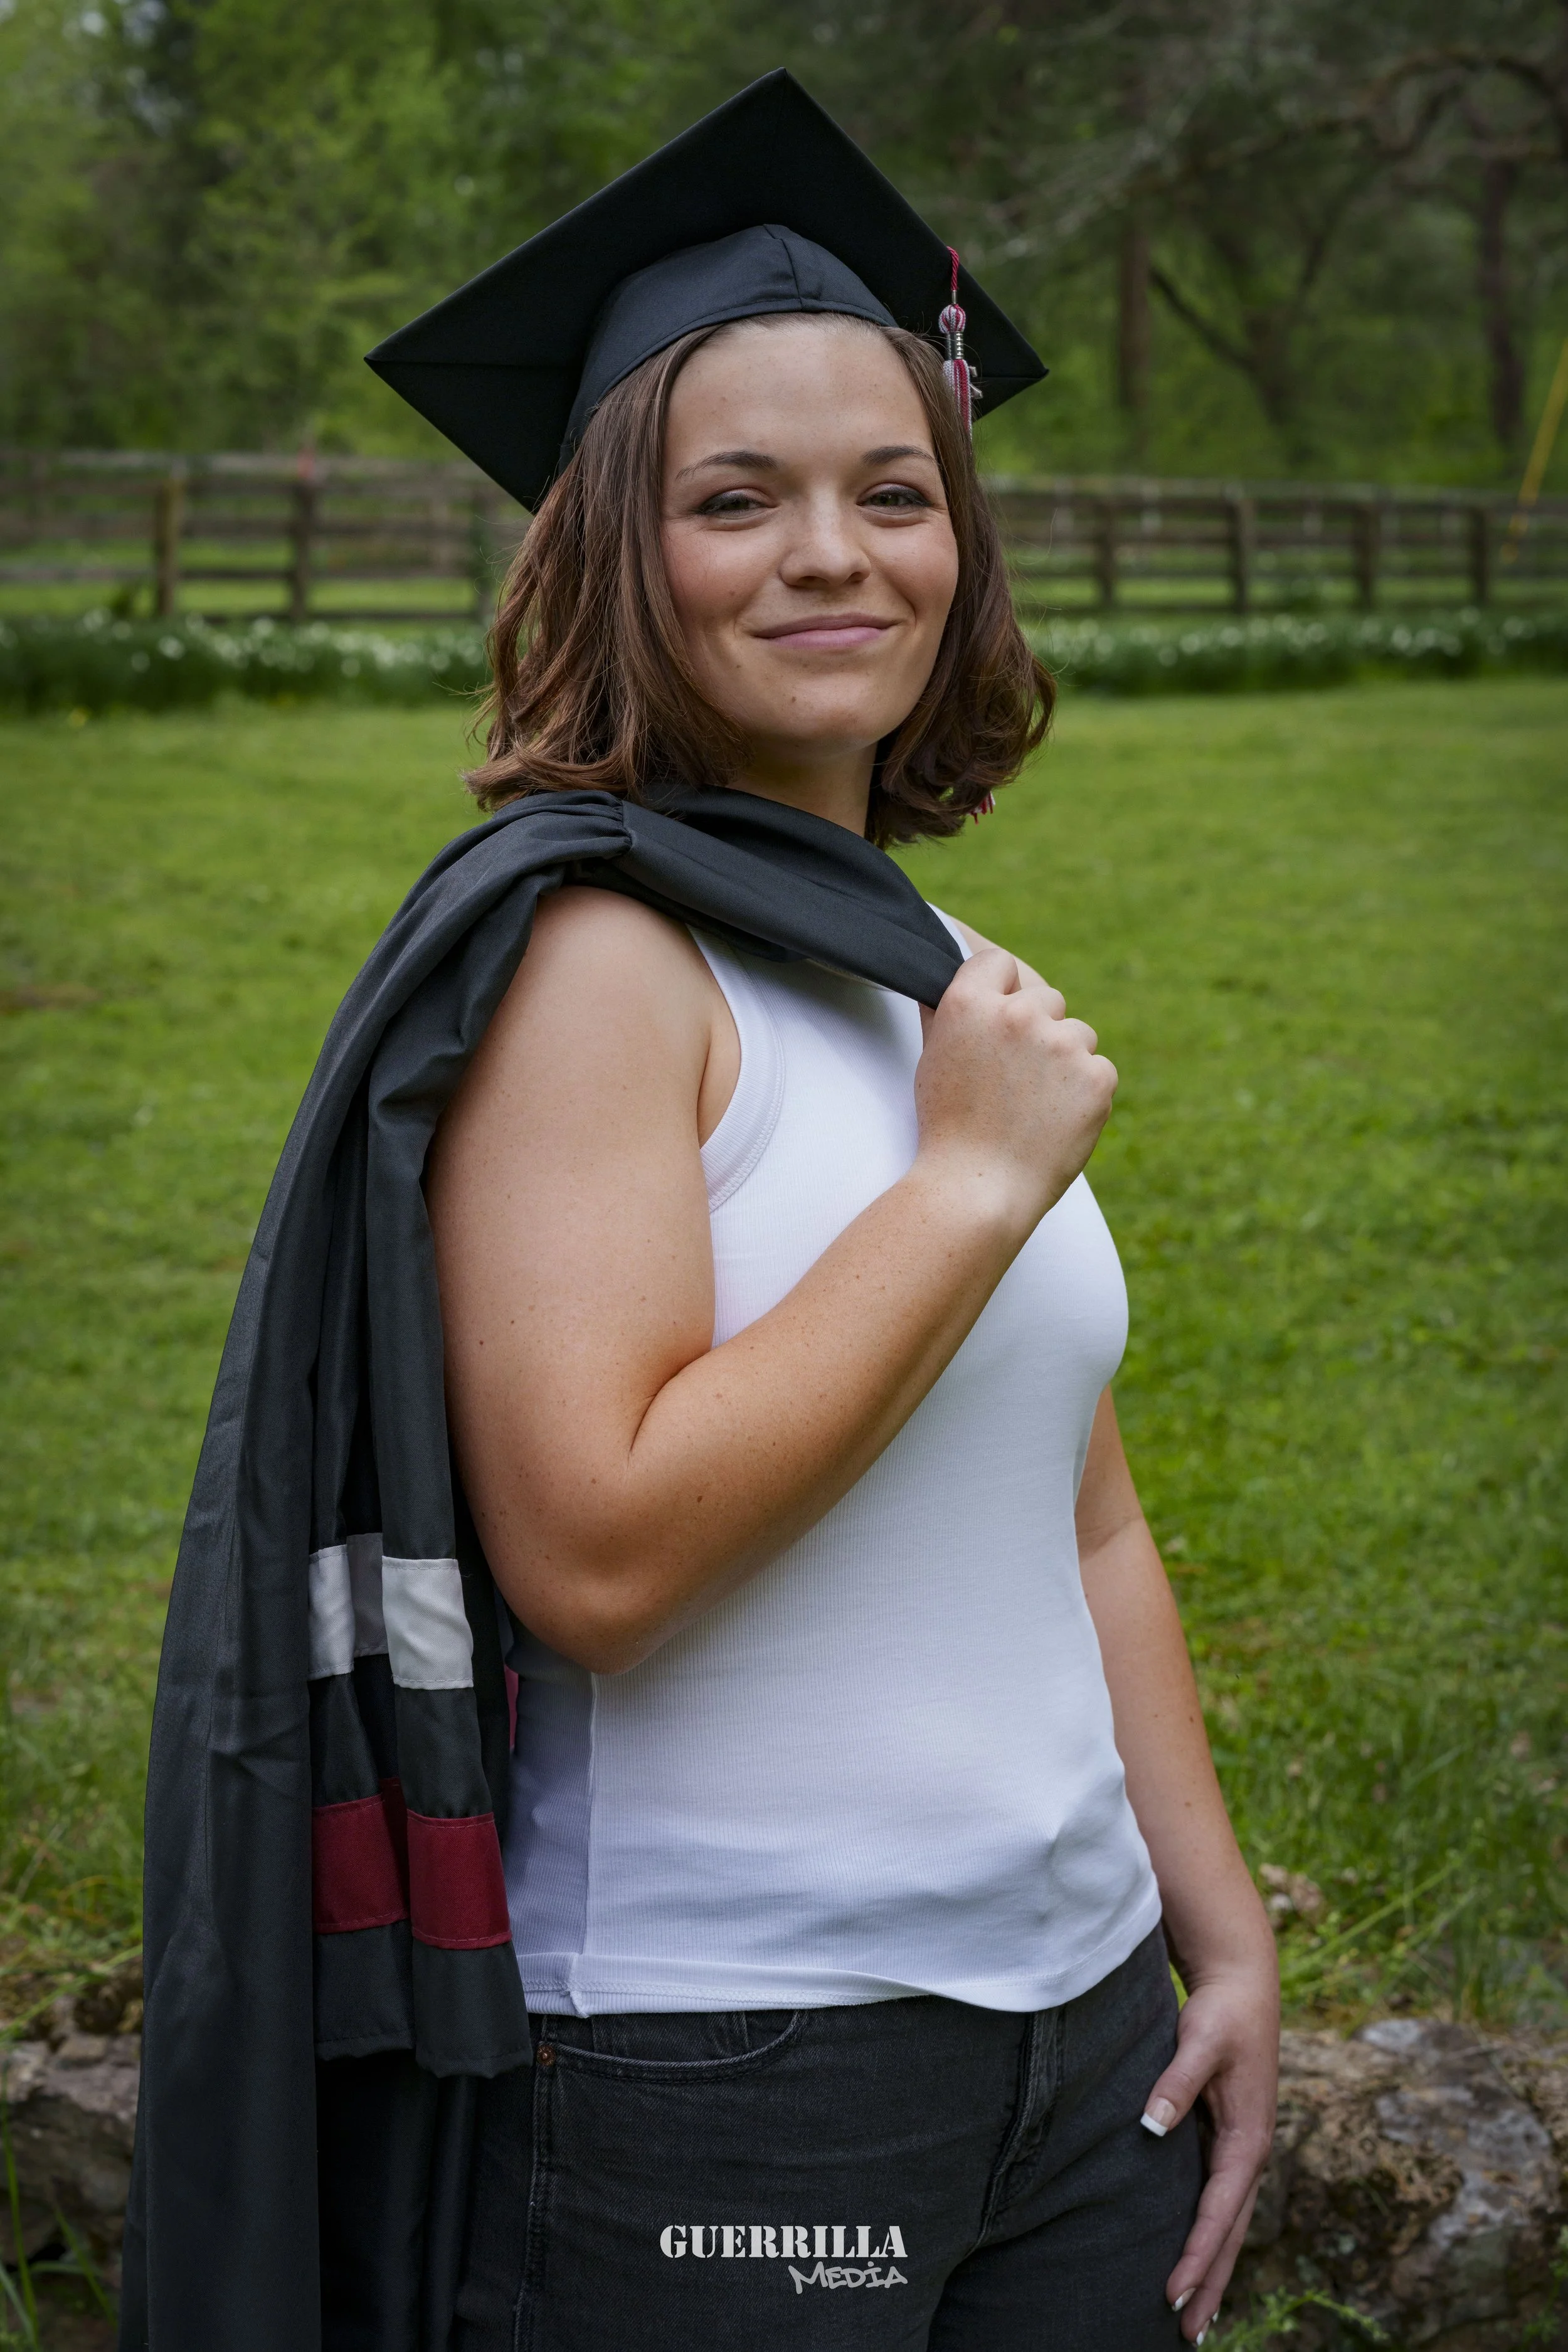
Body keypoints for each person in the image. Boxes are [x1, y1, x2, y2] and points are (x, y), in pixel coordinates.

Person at [123, 70, 1276, 2352]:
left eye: (892, 490)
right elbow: (603, 1558)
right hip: (733, 2069)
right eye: (733, 498)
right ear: (610, 552)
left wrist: (1211, 1927)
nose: (831, 552)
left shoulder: (920, 979)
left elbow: (1080, 1521)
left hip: (1073, 2027)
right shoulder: (596, 966)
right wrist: (965, 1184)